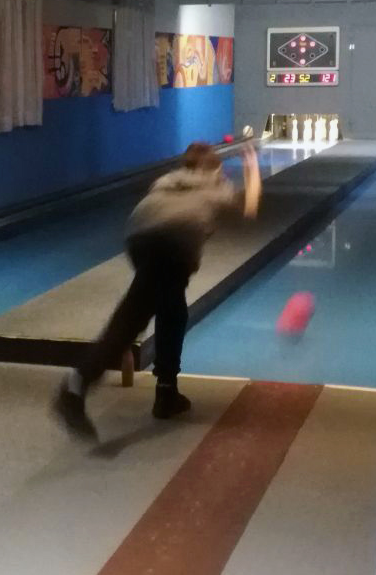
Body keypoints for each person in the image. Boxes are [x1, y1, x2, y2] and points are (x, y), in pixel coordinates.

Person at [53, 141, 261, 440]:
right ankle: (76, 387)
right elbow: (251, 207)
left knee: (171, 310)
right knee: (131, 320)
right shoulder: (216, 185)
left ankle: (166, 392)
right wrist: (252, 168)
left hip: (139, 239)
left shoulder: (167, 179)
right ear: (215, 168)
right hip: (174, 247)